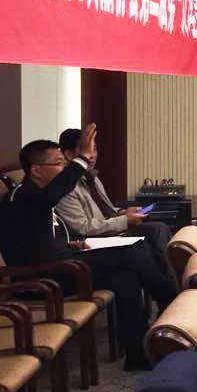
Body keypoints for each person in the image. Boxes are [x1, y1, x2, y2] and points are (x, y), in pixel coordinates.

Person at [1, 126, 168, 369]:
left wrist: (69, 243)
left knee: (126, 278)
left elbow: (37, 240)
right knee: (133, 250)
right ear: (36, 170)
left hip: (62, 265)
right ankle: (169, 298)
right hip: (44, 278)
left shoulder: (35, 195)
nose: (64, 169)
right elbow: (51, 200)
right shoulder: (24, 196)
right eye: (59, 164)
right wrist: (81, 159)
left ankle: (137, 355)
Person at [54, 127, 174, 281]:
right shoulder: (64, 186)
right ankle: (171, 284)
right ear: (69, 154)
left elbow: (105, 209)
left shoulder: (91, 177)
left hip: (111, 231)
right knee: (156, 230)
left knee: (158, 229)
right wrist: (125, 220)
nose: (92, 156)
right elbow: (82, 227)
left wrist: (123, 212)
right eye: (87, 151)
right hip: (94, 239)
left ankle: (171, 280)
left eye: (94, 149)